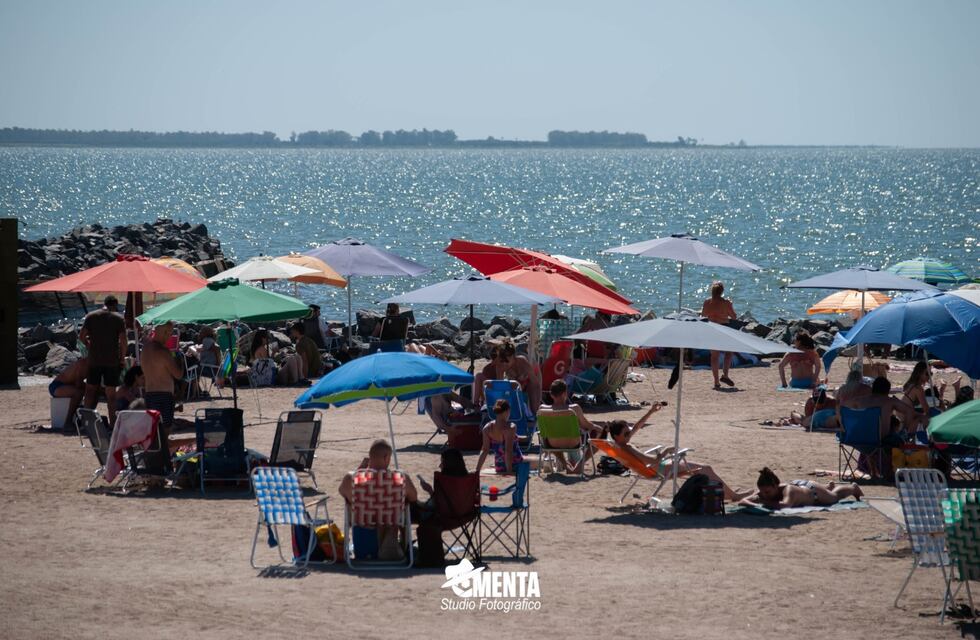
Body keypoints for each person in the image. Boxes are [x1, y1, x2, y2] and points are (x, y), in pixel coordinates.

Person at [606, 410, 750, 501]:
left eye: (628, 432)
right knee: (706, 468)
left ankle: (728, 493)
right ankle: (734, 496)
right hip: (662, 469)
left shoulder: (619, 445)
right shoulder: (628, 447)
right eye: (626, 433)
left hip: (657, 468)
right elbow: (653, 460)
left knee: (703, 469)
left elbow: (637, 426)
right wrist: (667, 450)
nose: (629, 434)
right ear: (616, 436)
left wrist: (651, 411)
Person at [338, 439, 418, 560]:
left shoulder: (352, 478)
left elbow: (343, 492)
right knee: (405, 509)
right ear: (386, 457)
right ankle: (405, 548)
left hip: (363, 545)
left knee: (351, 505)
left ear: (370, 457)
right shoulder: (401, 478)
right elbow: (414, 497)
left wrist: (359, 470)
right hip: (389, 545)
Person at [415, 448, 472, 566]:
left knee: (419, 518)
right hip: (467, 515)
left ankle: (424, 557)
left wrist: (430, 491)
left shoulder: (444, 480)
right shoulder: (468, 479)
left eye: (442, 462)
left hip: (444, 518)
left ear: (447, 464)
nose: (440, 465)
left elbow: (439, 505)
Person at [141, 321, 184, 474]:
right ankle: (161, 466)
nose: (168, 336)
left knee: (153, 434)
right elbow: (178, 374)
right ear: (157, 331)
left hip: (150, 394)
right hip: (164, 396)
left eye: (170, 332)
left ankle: (154, 464)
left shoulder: (145, 348)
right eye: (166, 332)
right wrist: (179, 358)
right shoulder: (163, 351)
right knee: (164, 435)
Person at [79, 295, 127, 426]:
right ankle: (112, 424)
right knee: (111, 395)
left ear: (104, 304)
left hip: (94, 360)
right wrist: (122, 358)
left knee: (90, 391)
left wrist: (89, 346)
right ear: (115, 305)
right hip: (111, 361)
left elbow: (82, 336)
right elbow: (123, 341)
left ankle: (86, 423)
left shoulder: (91, 316)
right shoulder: (118, 318)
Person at [538, 379, 602, 473]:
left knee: (553, 434)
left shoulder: (542, 409)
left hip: (552, 444)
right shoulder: (574, 408)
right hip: (573, 443)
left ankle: (566, 466)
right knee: (601, 436)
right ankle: (578, 466)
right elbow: (587, 426)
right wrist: (598, 428)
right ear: (565, 393)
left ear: (551, 395)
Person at [842, 376, 928, 440]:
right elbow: (909, 412)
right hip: (881, 440)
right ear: (887, 391)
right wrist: (904, 430)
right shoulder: (889, 401)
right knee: (899, 439)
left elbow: (841, 406)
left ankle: (868, 462)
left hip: (856, 438)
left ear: (873, 389)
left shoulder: (858, 400)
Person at [473, 337, 542, 414]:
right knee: (506, 386)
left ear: (513, 356)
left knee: (533, 395)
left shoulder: (522, 361)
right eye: (502, 361)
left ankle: (534, 414)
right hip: (517, 383)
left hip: (531, 378)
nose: (504, 364)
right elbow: (500, 387)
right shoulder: (500, 365)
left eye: (506, 361)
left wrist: (537, 401)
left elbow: (535, 384)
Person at [739, 467, 863, 509]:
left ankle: (853, 488)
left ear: (775, 486)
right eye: (762, 492)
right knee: (829, 493)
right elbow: (742, 501)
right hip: (801, 486)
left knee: (835, 497)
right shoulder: (765, 491)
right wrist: (756, 504)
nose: (764, 494)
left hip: (813, 492)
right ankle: (828, 487)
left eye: (767, 492)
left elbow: (786, 505)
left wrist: (762, 502)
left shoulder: (789, 491)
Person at [701, 281, 737, 389]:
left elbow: (703, 314)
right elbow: (734, 317)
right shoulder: (726, 303)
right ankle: (725, 375)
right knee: (729, 353)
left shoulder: (707, 302)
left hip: (712, 329)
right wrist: (730, 306)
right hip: (723, 328)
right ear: (722, 292)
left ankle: (716, 382)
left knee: (714, 357)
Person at [475, 399, 525, 475]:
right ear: (507, 411)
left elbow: (485, 450)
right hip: (515, 464)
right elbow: (508, 450)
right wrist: (509, 471)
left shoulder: (487, 428)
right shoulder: (510, 427)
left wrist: (477, 470)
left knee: (530, 460)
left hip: (499, 466)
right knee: (536, 461)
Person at [48, 356, 89, 426]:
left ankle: (84, 418)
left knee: (90, 391)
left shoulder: (88, 364)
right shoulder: (82, 364)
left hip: (67, 386)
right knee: (78, 393)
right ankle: (68, 421)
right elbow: (78, 384)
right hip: (57, 386)